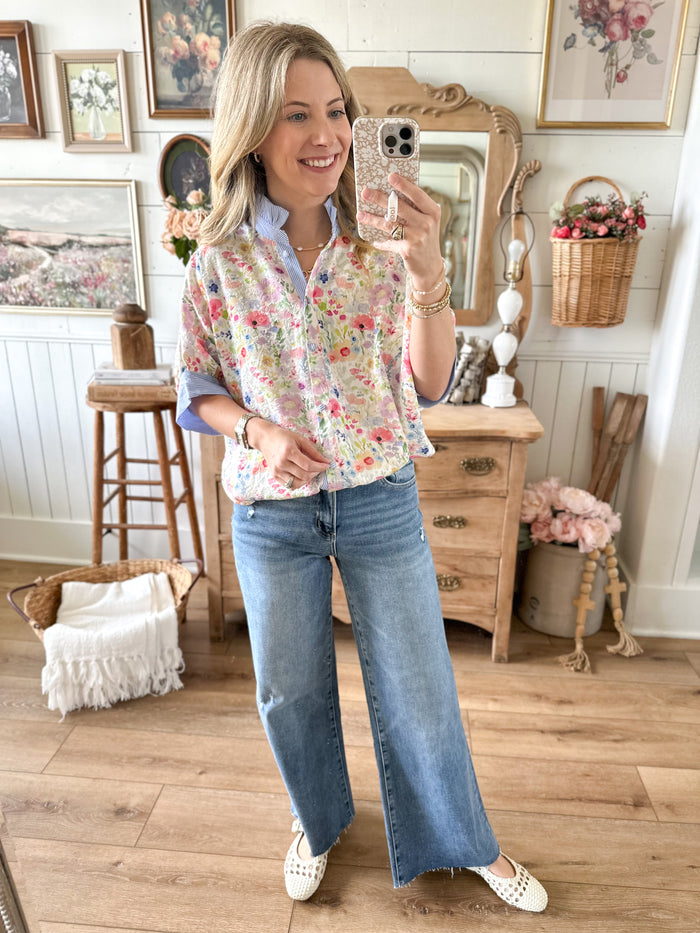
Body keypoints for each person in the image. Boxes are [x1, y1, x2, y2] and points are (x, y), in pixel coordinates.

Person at [175, 20, 548, 913]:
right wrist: (258, 429)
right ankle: (318, 817)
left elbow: (423, 383)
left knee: (421, 687)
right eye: (298, 114)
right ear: (253, 131)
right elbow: (196, 383)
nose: (330, 136)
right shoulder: (219, 256)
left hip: (379, 494)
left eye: (339, 112)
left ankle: (468, 839)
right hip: (272, 510)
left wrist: (428, 269)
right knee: (289, 692)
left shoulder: (383, 239)